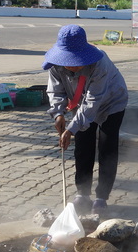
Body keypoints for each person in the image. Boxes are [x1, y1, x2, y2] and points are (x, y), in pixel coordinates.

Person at [44, 25, 128, 215]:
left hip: (111, 102)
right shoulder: (56, 64)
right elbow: (55, 90)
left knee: (107, 147)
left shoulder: (100, 64)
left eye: (75, 61)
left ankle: (101, 197)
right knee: (83, 145)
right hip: (80, 103)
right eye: (68, 60)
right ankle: (82, 193)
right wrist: (58, 114)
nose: (72, 66)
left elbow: (92, 103)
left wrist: (71, 129)